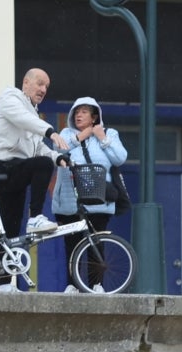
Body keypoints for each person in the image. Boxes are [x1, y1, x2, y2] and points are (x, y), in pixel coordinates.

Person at [0, 68, 70, 290]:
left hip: (17, 170)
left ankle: (4, 285)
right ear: (26, 83)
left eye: (46, 87)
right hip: (2, 166)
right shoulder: (10, 98)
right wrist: (51, 131)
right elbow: (22, 120)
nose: (43, 90)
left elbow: (38, 148)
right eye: (40, 84)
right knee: (41, 165)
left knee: (12, 232)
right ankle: (36, 217)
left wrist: (57, 156)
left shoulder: (33, 112)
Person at [51, 97, 128, 292]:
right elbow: (58, 149)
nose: (79, 115)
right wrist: (82, 136)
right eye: (76, 112)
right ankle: (72, 284)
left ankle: (97, 284)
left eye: (84, 112)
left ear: (95, 116)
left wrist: (103, 138)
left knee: (96, 241)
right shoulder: (66, 133)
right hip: (70, 200)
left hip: (99, 200)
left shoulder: (110, 133)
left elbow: (119, 158)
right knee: (72, 243)